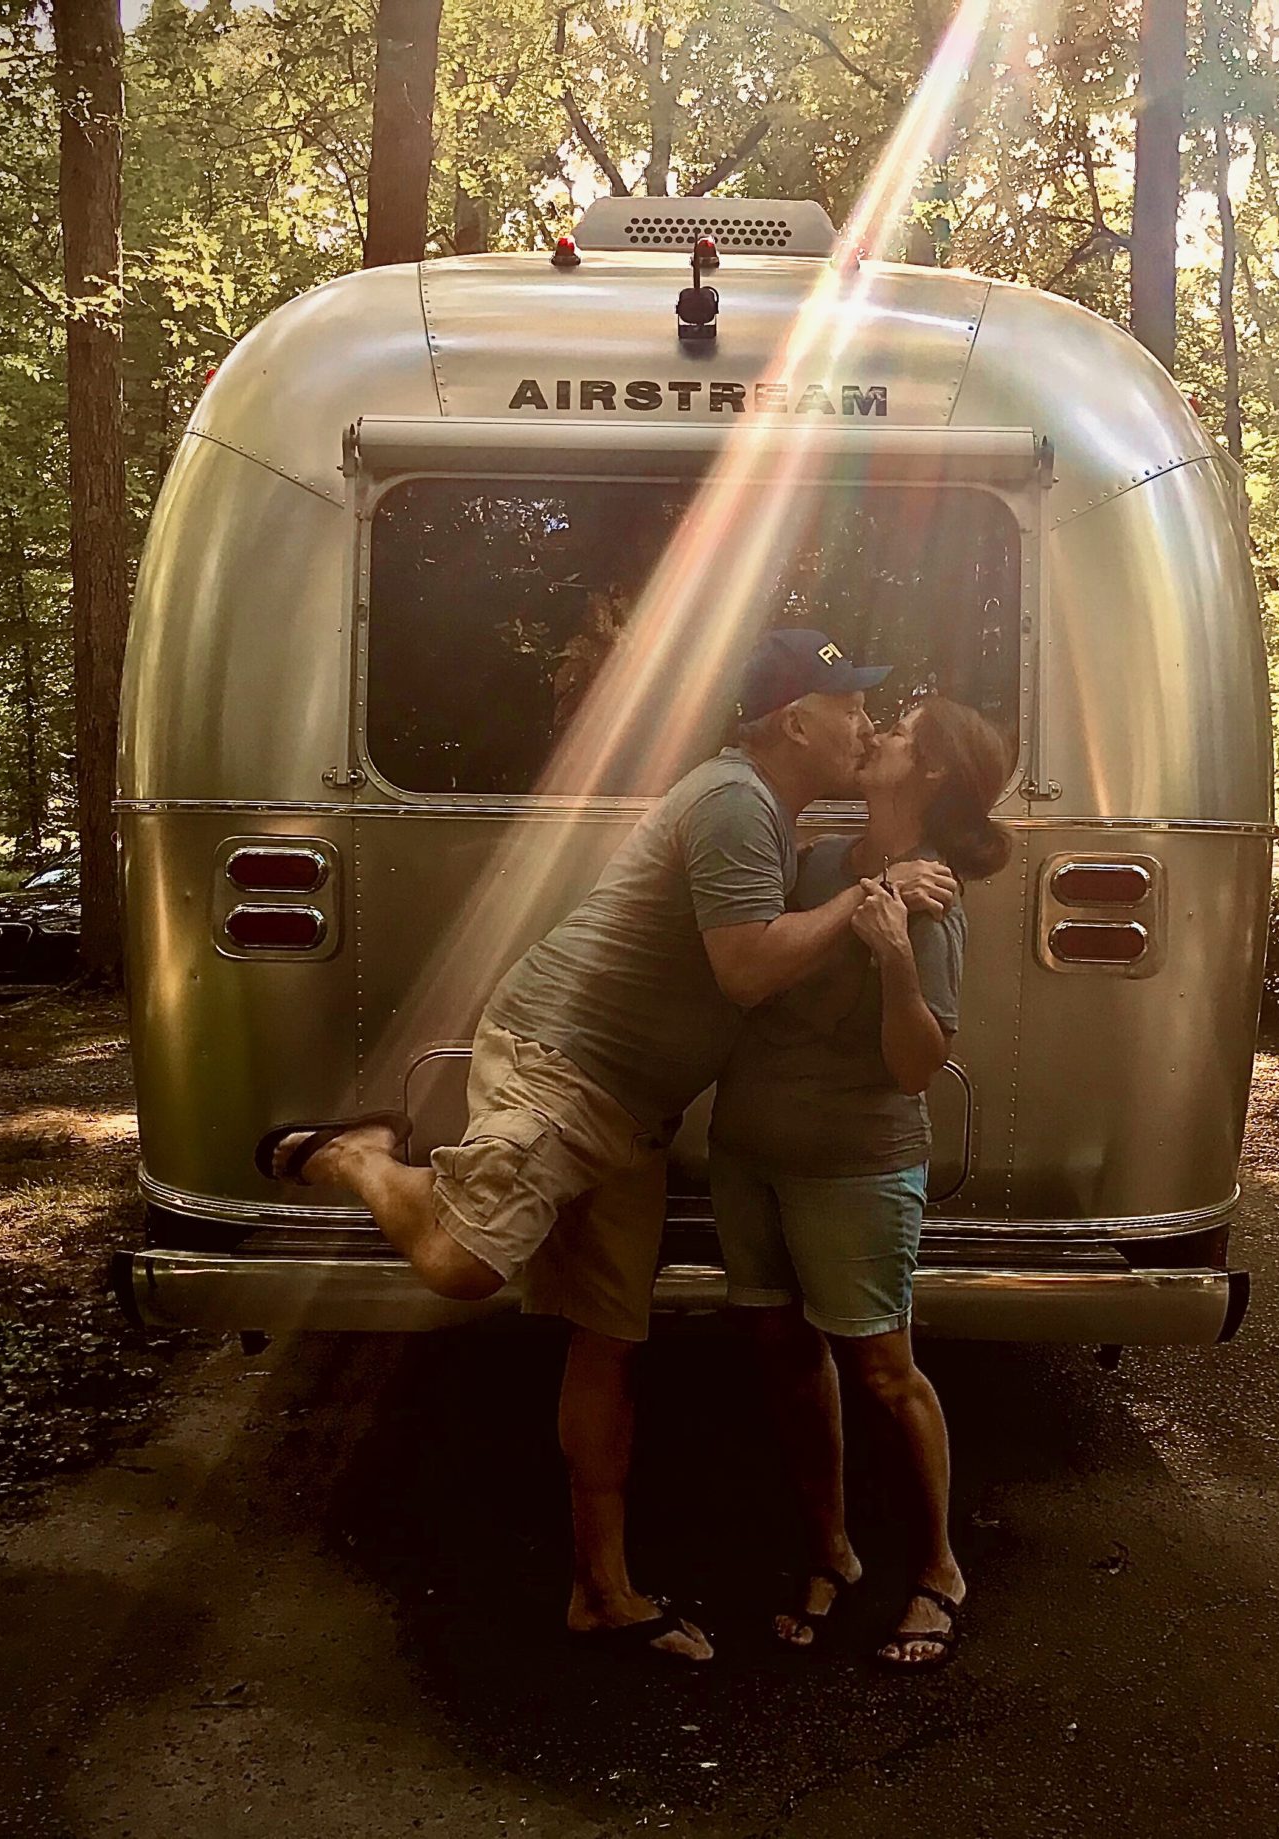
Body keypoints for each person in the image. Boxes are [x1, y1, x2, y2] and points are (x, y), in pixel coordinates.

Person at [253, 630, 956, 1664]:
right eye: (847, 703)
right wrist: (866, 896)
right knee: (460, 1261)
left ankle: (603, 1591)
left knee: (607, 1336)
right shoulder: (736, 799)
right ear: (793, 720)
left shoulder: (770, 813)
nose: (864, 721)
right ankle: (358, 1153)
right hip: (564, 1061)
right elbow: (745, 969)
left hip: (632, 1106)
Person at [708, 696, 1012, 1671]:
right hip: (749, 1148)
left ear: (931, 772)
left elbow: (917, 1065)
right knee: (784, 1356)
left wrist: (893, 962)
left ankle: (936, 1570)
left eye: (901, 730)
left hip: (856, 1161)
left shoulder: (931, 899)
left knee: (884, 1372)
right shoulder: (813, 861)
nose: (875, 731)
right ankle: (830, 1553)